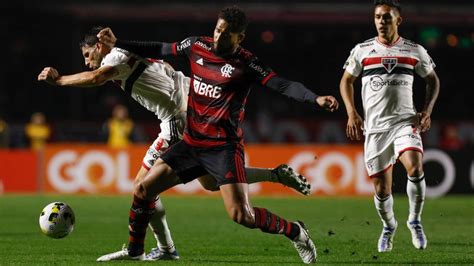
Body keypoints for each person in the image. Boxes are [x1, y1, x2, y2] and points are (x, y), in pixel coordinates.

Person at [38, 26, 312, 261]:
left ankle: (156, 249)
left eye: (88, 55)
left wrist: (60, 80)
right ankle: (275, 174)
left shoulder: (115, 56)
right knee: (210, 183)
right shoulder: (125, 52)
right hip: (195, 108)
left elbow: (96, 77)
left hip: (178, 121)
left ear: (99, 46)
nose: (87, 62)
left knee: (142, 188)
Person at [96, 6, 339, 263]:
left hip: (223, 148)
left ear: (239, 38)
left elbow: (282, 84)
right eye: (218, 29)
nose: (219, 36)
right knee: (144, 189)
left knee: (241, 216)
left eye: (226, 34)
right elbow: (159, 48)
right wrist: (118, 43)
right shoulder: (197, 45)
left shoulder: (247, 63)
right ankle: (135, 252)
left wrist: (315, 98)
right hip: (190, 143)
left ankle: (296, 231)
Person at [339, 0, 440, 253]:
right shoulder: (362, 50)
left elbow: (433, 81)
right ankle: (389, 226)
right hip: (375, 129)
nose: (381, 21)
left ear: (398, 20)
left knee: (415, 167)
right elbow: (346, 82)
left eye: (386, 17)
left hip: (405, 122)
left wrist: (426, 111)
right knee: (382, 189)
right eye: (377, 17)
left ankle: (414, 220)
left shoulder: (414, 50)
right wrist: (352, 113)